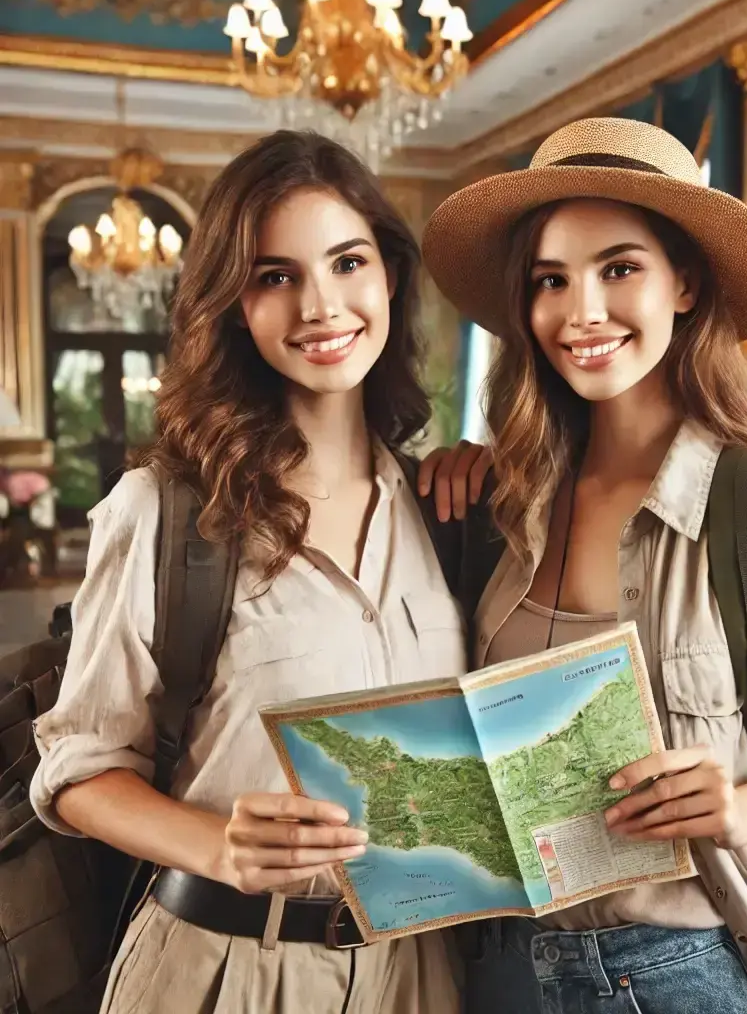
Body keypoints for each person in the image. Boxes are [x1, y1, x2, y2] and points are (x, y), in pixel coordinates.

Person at [419, 118, 747, 1014]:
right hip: (500, 959)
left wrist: (737, 808)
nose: (582, 311)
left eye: (620, 269)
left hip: (687, 964)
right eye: (550, 280)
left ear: (685, 284)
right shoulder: (495, 501)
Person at [30, 130, 465, 1014]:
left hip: (422, 974)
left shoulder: (450, 511)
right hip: (224, 970)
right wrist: (214, 842)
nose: (321, 304)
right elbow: (75, 771)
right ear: (234, 305)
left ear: (390, 276)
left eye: (348, 262)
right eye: (276, 276)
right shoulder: (164, 510)